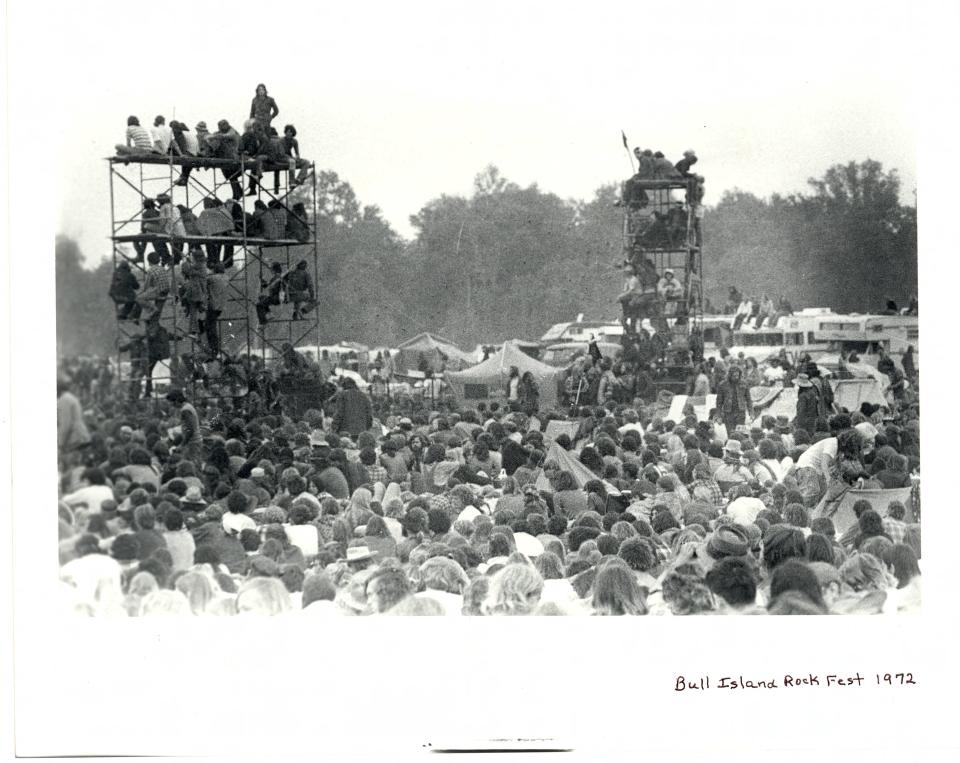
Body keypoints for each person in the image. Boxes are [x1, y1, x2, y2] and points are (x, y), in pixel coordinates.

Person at [205, 120, 243, 200]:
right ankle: (238, 191)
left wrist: (212, 137)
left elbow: (225, 136)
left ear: (226, 125)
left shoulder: (232, 132)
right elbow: (212, 136)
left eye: (221, 126)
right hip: (227, 157)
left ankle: (237, 192)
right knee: (231, 176)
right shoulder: (222, 132)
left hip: (233, 156)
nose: (219, 128)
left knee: (231, 175)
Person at [57, 376, 90, 456]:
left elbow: (66, 424)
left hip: (75, 438)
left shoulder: (64, 400)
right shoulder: (70, 397)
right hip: (80, 435)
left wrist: (61, 444)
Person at [714, 366, 754, 433]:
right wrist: (719, 416)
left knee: (740, 434)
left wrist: (751, 413)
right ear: (730, 375)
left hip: (740, 413)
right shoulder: (722, 385)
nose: (736, 377)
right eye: (734, 376)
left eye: (738, 375)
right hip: (728, 413)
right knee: (731, 433)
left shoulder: (744, 384)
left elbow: (749, 400)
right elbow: (719, 402)